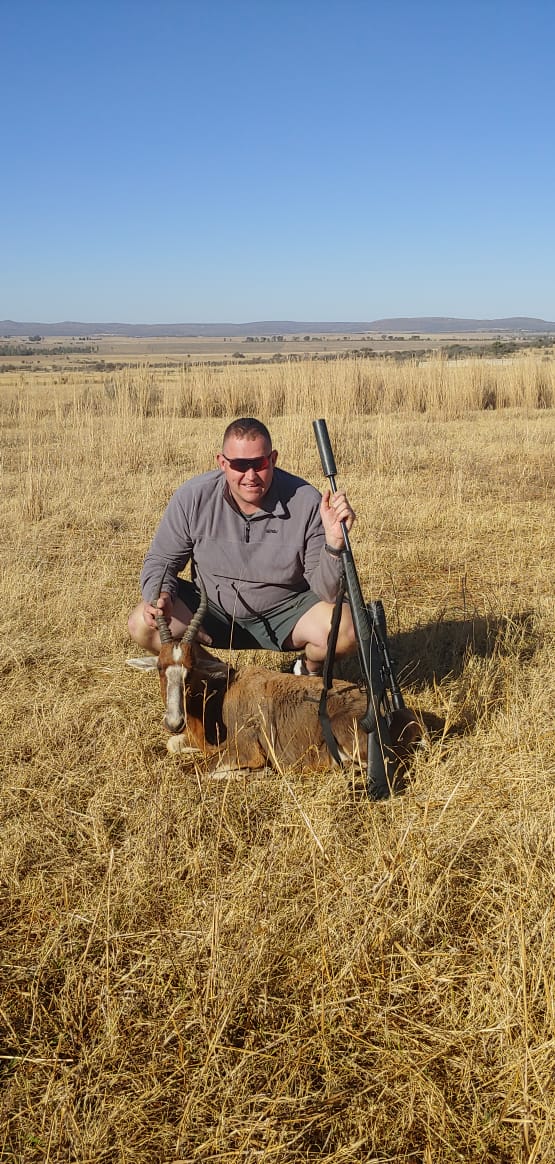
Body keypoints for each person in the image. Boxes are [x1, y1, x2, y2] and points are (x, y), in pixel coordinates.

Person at [127, 417, 357, 675]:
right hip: (209, 610)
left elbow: (327, 593)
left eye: (259, 464)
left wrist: (334, 545)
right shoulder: (192, 496)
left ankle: (307, 670)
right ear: (222, 463)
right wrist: (160, 595)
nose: (250, 476)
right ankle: (219, 674)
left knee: (347, 629)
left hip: (286, 612)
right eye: (239, 465)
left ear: (273, 459)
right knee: (142, 625)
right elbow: (161, 561)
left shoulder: (307, 501)